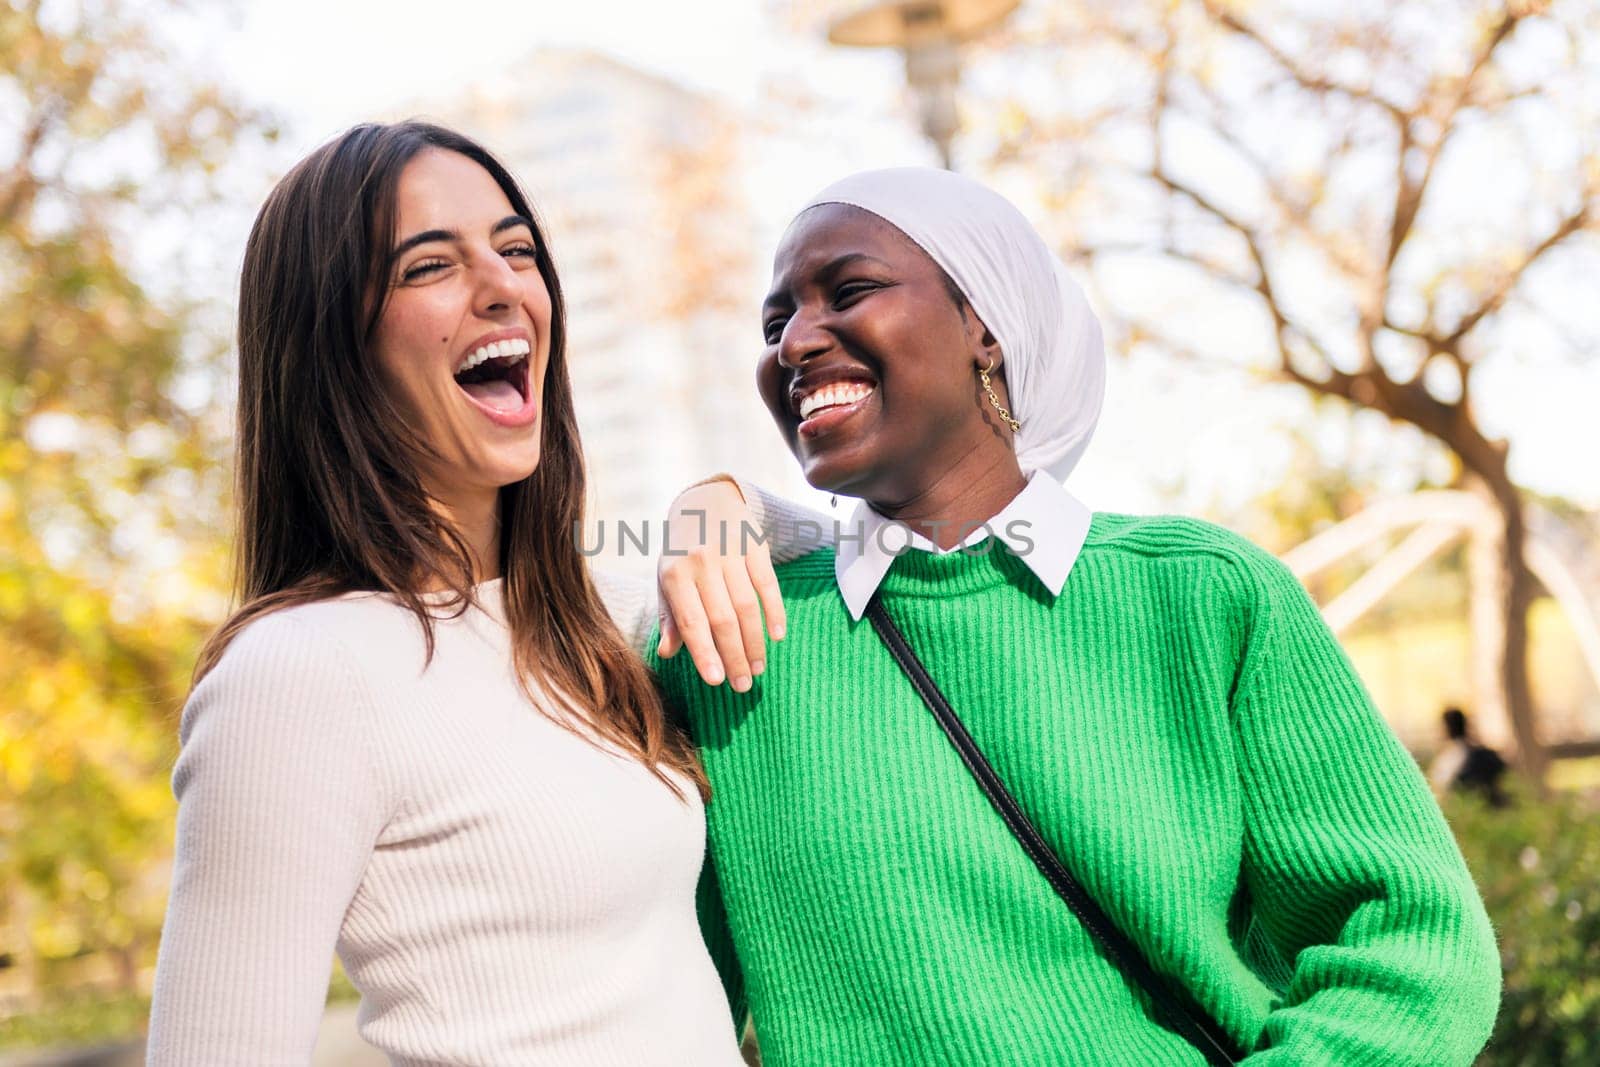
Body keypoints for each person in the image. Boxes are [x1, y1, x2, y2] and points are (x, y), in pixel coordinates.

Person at [649, 167, 1502, 1065]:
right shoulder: (723, 645)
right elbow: (641, 993)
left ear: (982, 326)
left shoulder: (1204, 597)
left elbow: (1414, 942)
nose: (793, 343)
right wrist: (714, 503)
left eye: (849, 291)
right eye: (774, 321)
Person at [146, 121, 821, 1064]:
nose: (505, 285)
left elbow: (868, 545)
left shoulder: (600, 615)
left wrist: (720, 501)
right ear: (331, 346)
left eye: (516, 250)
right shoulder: (297, 674)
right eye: (429, 266)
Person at [1429, 705, 1510, 807]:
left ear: (1446, 728)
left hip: (1469, 808)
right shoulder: (1484, 752)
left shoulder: (1449, 758)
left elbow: (1441, 787)